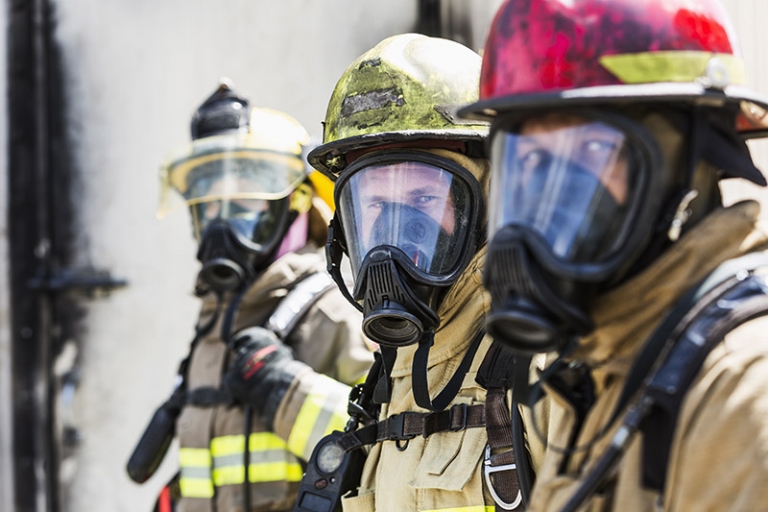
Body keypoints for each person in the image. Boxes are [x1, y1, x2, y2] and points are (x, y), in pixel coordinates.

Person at [459, 0, 768, 510]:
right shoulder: (604, 369)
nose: (548, 197)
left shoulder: (743, 398)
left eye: (591, 153)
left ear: (688, 168)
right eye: (530, 159)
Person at [279, 33, 551, 512]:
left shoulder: (541, 368)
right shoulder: (389, 384)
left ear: (493, 198)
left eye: (424, 199)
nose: (393, 236)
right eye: (376, 205)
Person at [129, 80, 375, 512]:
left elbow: (384, 446)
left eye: (244, 206)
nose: (222, 227)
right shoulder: (214, 323)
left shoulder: (332, 312)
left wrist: (286, 389)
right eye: (210, 206)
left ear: (298, 205)